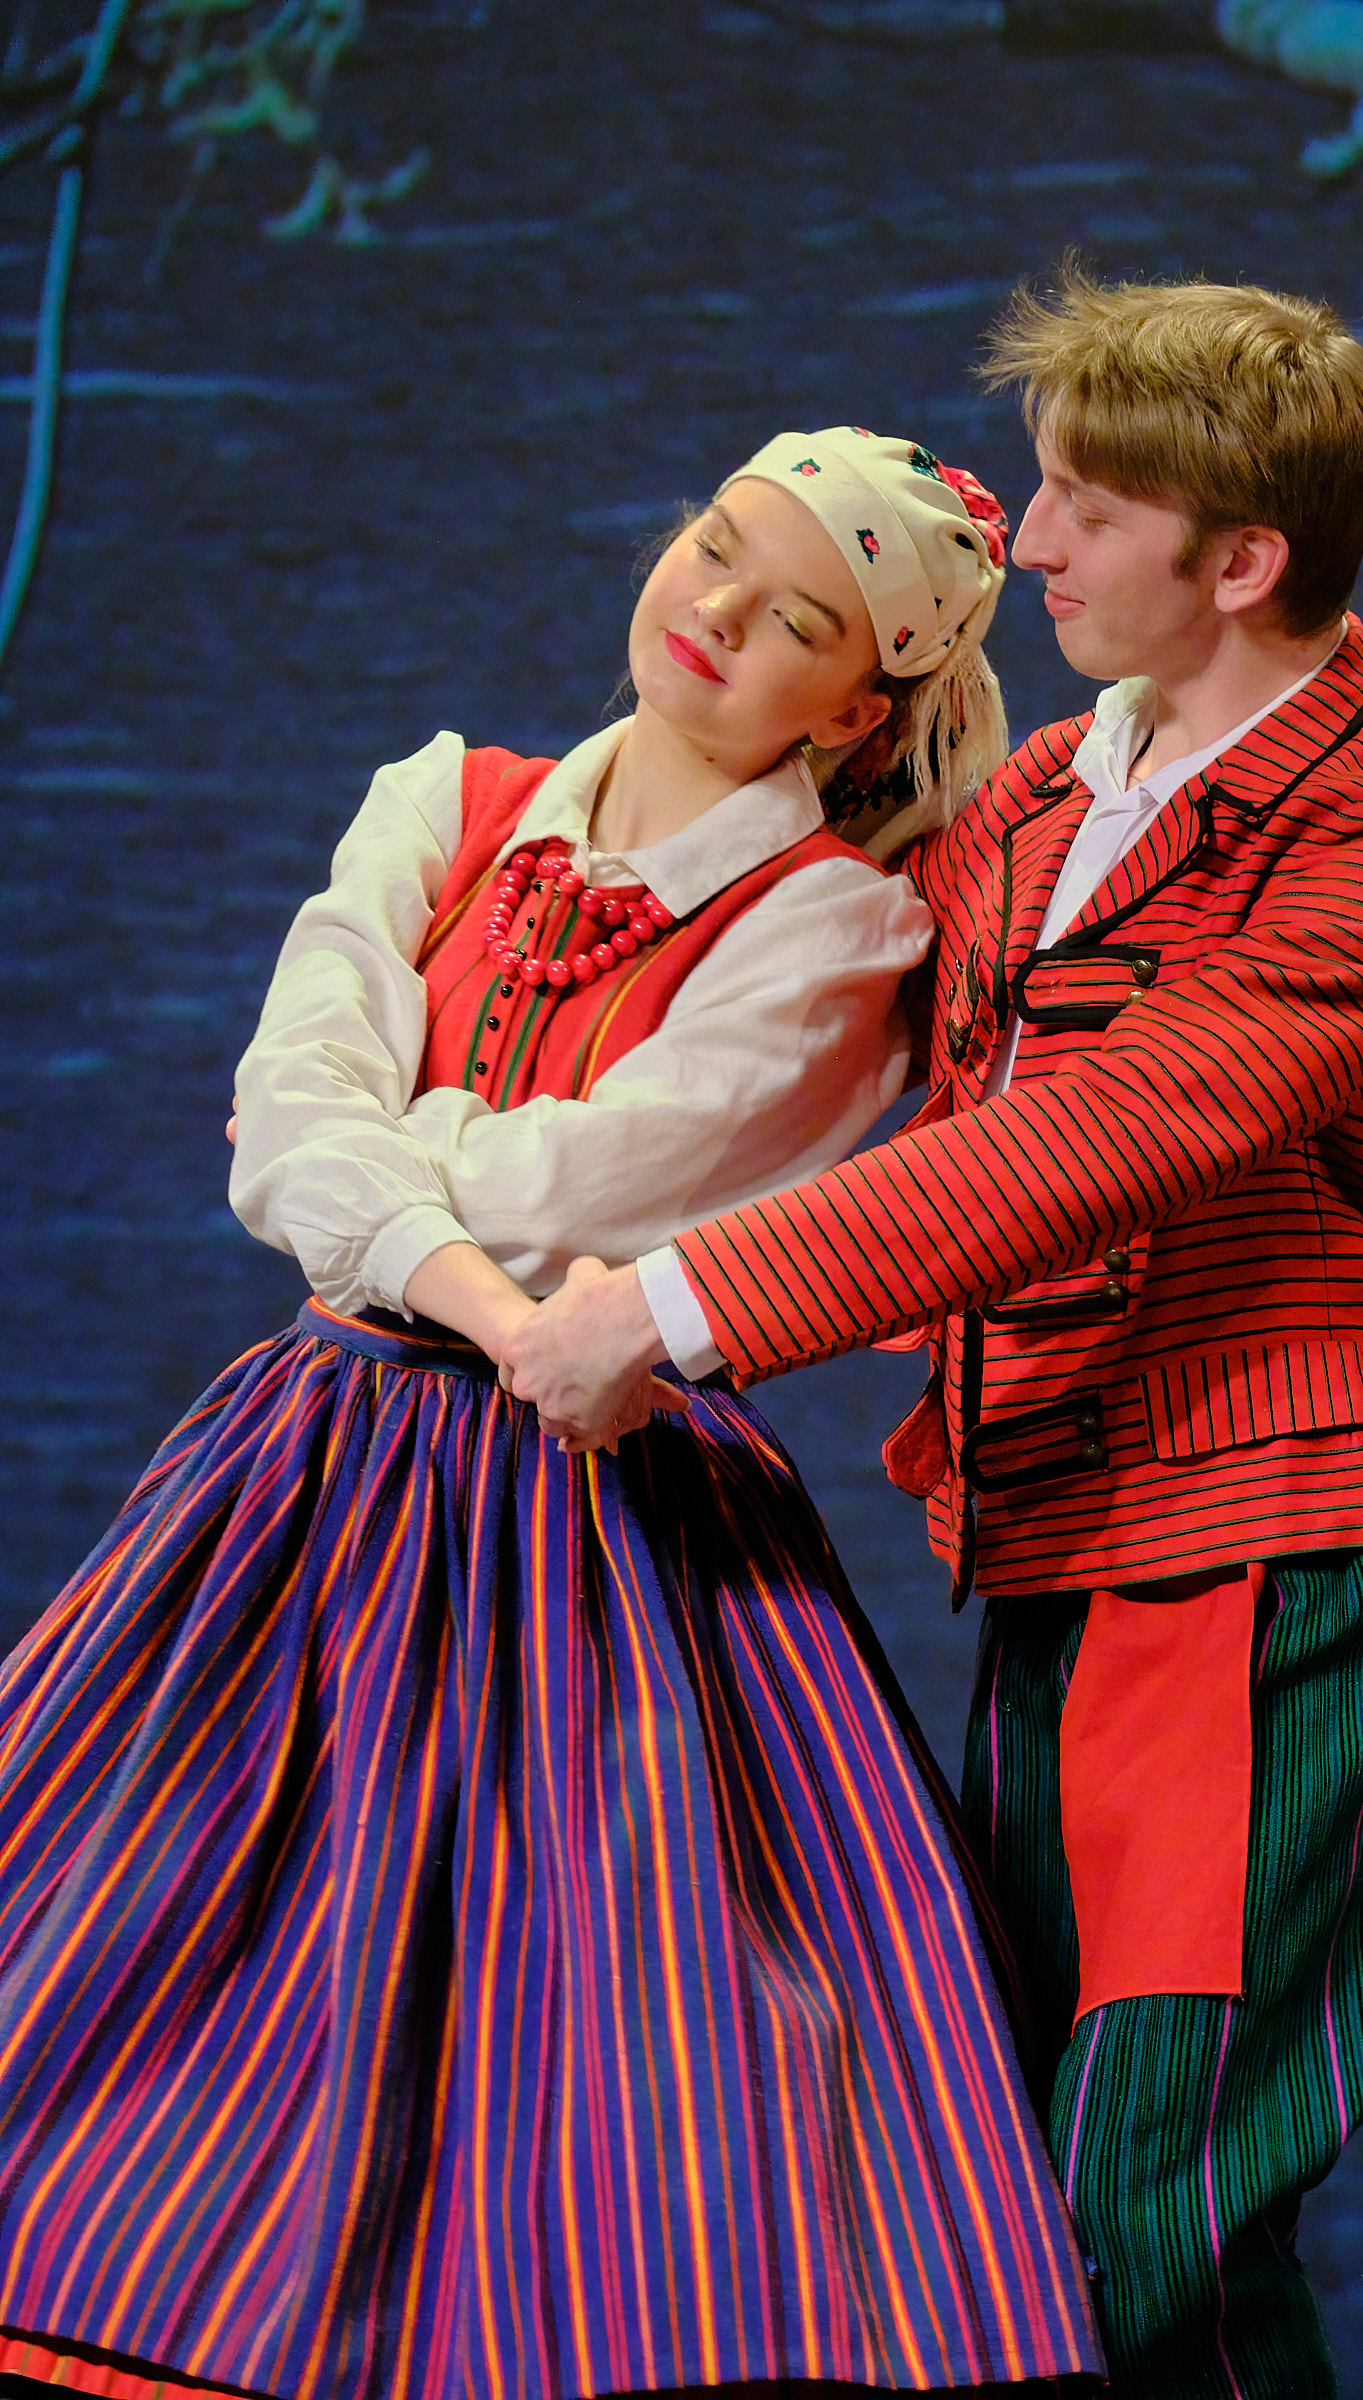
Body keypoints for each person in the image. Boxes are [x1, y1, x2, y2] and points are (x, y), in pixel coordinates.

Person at [0, 429, 1103, 2400]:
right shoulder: (448, 798)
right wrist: (420, 1235)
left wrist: (375, 1169)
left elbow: (586, 1187)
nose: (714, 613)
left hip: (590, 1507)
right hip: (310, 1458)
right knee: (137, 1929)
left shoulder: (831, 929)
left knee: (594, 2014)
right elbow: (285, 1122)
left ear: (856, 708)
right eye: (714, 548)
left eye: (795, 622)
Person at [508, 273, 1363, 2400]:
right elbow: (769, 916)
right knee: (1012, 2230)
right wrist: (474, 933)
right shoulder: (1048, 791)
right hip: (1063, 1555)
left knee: (1136, 2217)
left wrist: (666, 1311)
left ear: (1237, 564)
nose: (1030, 544)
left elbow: (1078, 1149)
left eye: (1083, 509)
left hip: (1274, 1565)